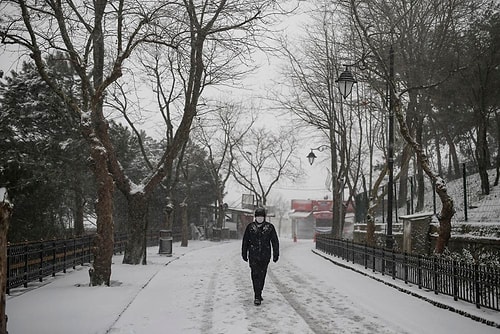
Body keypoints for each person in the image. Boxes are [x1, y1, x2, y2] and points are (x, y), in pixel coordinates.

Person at [241, 207, 279, 306]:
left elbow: (274, 241)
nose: (259, 218)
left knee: (262, 275)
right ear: (255, 217)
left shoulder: (270, 227)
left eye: (261, 216)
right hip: (253, 255)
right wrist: (244, 253)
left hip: (265, 255)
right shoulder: (250, 227)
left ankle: (259, 291)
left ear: (264, 217)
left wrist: (276, 254)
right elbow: (245, 241)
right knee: (255, 275)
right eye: (258, 216)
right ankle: (257, 296)